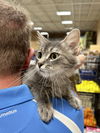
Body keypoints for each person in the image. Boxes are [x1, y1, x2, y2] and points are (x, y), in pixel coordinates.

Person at [0, 0, 84, 133]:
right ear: (30, 56)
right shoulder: (70, 119)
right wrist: (44, 101)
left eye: (53, 56)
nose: (39, 62)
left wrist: (68, 94)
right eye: (39, 55)